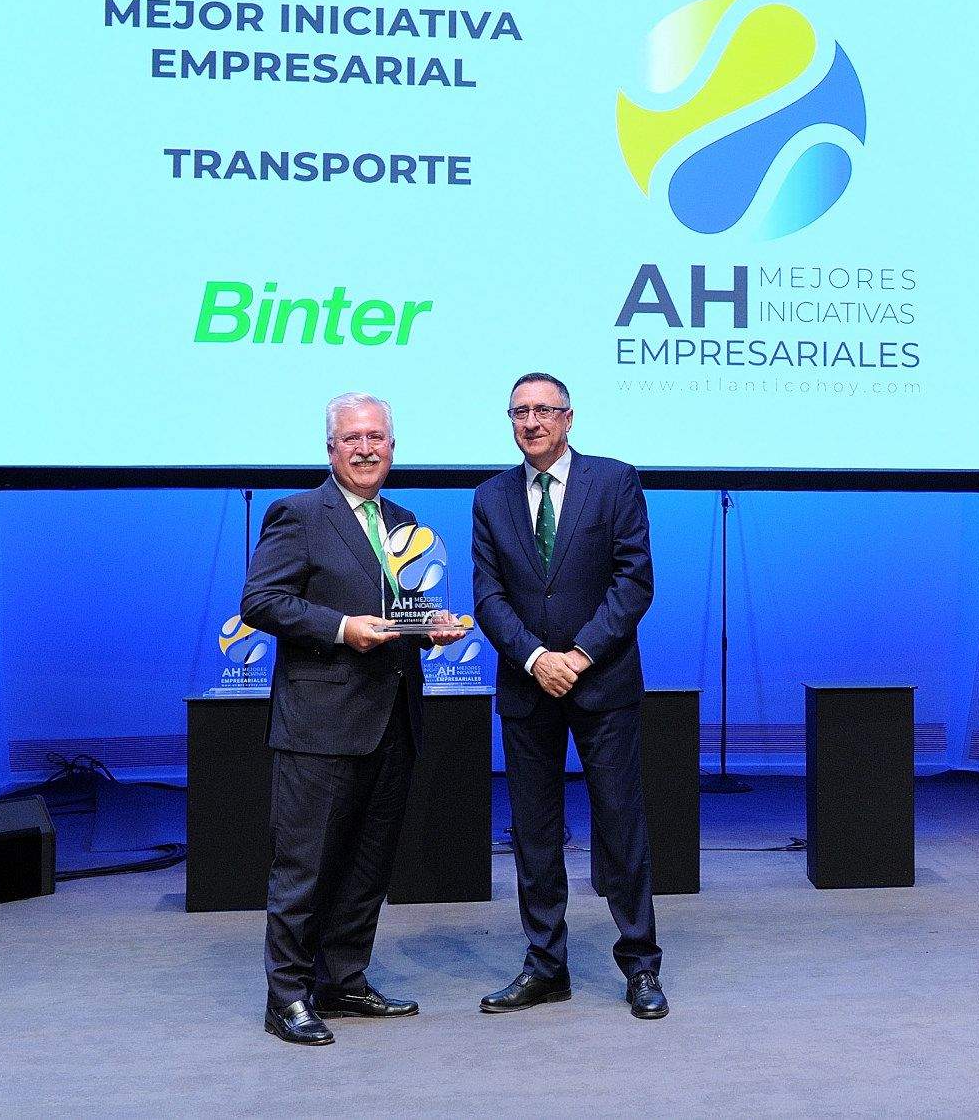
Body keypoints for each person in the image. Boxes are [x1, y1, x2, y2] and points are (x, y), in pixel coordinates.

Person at [241, 391, 465, 1045]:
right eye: (353, 438)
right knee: (304, 866)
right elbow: (261, 600)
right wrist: (340, 628)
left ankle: (341, 979)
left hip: (393, 719)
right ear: (331, 448)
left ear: (393, 446)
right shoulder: (299, 514)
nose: (366, 448)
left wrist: (431, 626)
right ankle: (286, 997)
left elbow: (397, 609)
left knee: (367, 865)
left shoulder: (401, 518)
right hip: (321, 724)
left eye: (377, 437)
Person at [471, 372, 666, 1019]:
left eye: (544, 410)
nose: (531, 422)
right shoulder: (490, 497)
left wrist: (577, 655)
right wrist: (534, 657)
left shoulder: (614, 480)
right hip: (528, 686)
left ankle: (640, 963)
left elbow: (634, 582)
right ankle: (545, 965)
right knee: (534, 832)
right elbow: (488, 597)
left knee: (620, 825)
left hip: (602, 682)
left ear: (569, 417)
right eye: (519, 411)